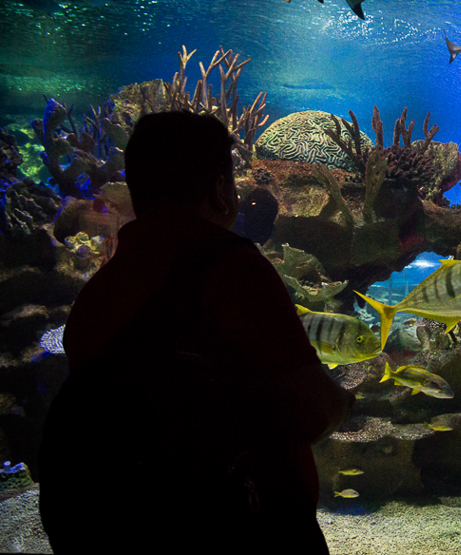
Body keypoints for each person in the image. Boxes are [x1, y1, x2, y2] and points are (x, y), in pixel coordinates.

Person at [39, 111, 354, 554]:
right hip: (236, 531)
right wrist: (343, 401)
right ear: (220, 190)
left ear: (137, 190)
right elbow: (312, 410)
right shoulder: (233, 270)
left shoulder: (98, 295)